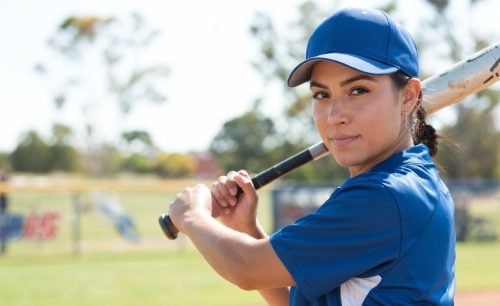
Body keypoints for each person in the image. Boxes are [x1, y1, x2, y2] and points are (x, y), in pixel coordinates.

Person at [167, 7, 456, 306]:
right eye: (321, 95)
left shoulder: (387, 197)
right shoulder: (408, 185)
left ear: (408, 96)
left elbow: (246, 267)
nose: (335, 116)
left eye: (358, 90)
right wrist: (247, 228)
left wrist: (191, 215)